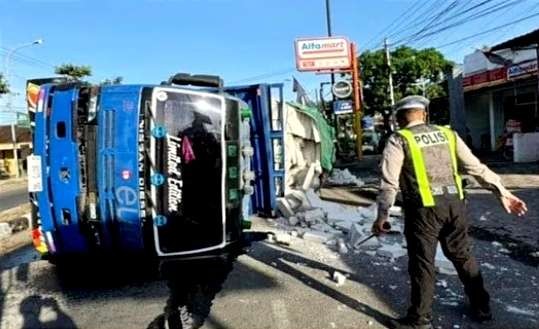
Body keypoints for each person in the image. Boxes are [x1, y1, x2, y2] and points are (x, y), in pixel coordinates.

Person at [372, 95, 528, 329]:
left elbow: (389, 183)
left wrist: (382, 216)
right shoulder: (448, 134)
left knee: (423, 263)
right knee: (462, 255)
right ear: (423, 114)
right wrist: (502, 192)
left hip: (423, 211)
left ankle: (419, 319)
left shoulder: (398, 139)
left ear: (398, 118)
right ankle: (482, 307)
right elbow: (476, 167)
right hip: (456, 206)